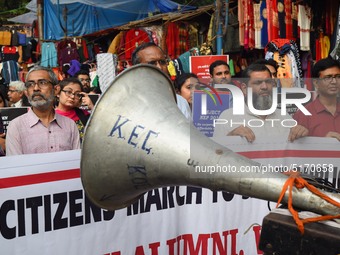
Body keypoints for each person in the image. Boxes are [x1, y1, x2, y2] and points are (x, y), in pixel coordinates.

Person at [213, 63, 308, 143]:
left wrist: (301, 134)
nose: (264, 87)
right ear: (244, 88)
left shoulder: (283, 116)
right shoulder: (228, 117)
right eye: (258, 83)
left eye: (268, 82)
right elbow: (216, 154)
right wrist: (231, 137)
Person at [6, 65, 80, 155]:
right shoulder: (16, 127)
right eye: (30, 84)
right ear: (26, 92)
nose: (36, 88)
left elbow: (76, 164)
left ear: (56, 90)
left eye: (42, 83)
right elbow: (16, 166)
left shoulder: (70, 125)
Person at [131, 42, 192, 120]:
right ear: (137, 68)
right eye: (152, 63)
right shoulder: (128, 102)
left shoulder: (180, 102)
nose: (159, 67)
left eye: (162, 62)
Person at [293, 57, 340, 141]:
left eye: (337, 77)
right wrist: (322, 143)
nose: (334, 82)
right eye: (327, 77)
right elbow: (297, 151)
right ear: (316, 83)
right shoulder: (303, 115)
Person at [55, 77, 90, 143]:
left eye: (77, 94)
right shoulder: (50, 116)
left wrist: (92, 106)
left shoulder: (85, 115)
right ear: (58, 93)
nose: (72, 96)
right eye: (68, 92)